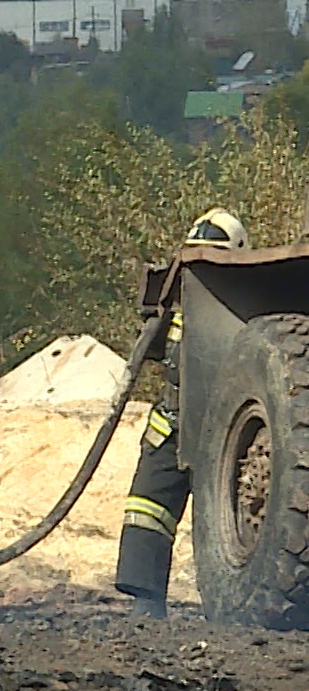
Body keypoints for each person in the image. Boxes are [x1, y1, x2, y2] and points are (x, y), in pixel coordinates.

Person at [114, 207, 248, 619]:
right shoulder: (178, 302)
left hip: (224, 435)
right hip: (169, 427)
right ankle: (146, 602)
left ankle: (228, 612)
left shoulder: (247, 305)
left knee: (227, 527)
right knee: (146, 511)